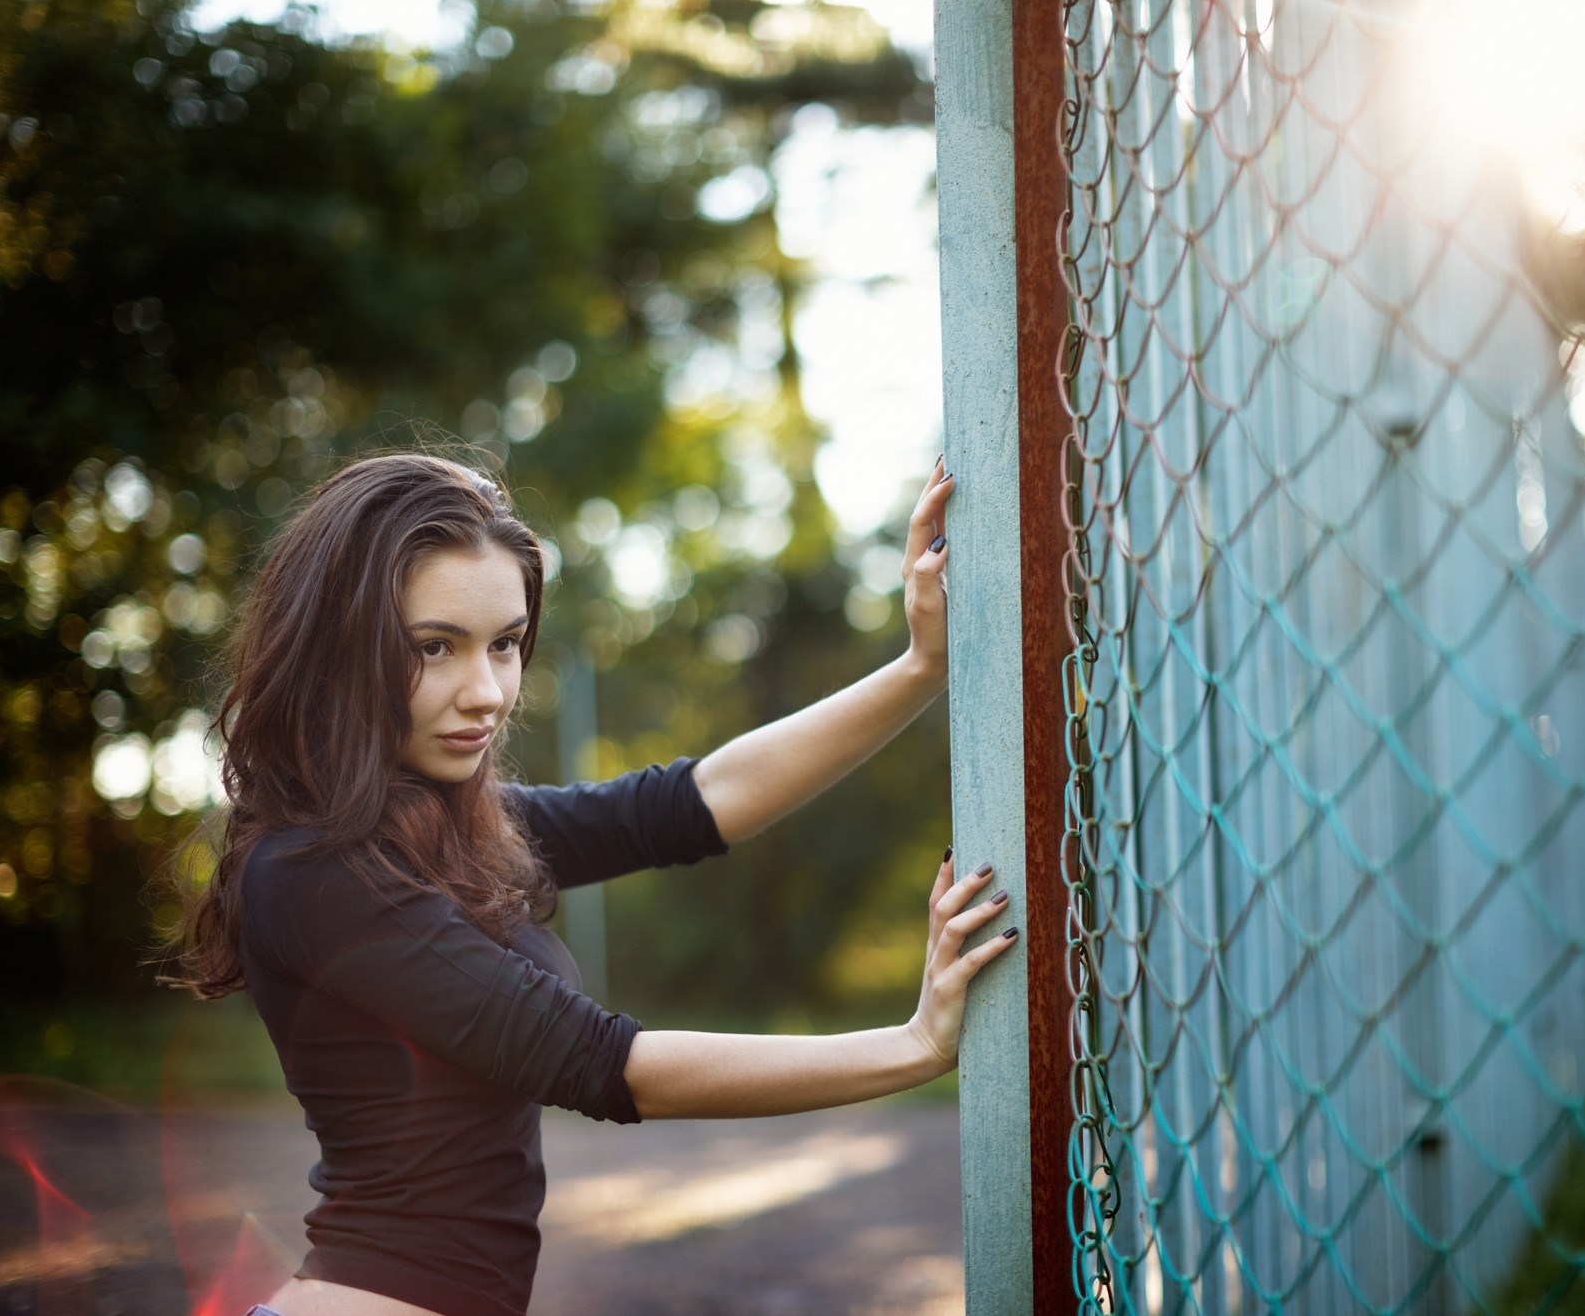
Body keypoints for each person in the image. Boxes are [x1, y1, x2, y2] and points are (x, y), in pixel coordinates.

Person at [166, 453, 1013, 1316]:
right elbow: (607, 1063)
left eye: (504, 643)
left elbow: (687, 804)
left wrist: (920, 666)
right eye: (433, 647)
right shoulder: (313, 870)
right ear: (340, 648)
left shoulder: (447, 826)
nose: (487, 690)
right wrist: (914, 1045)